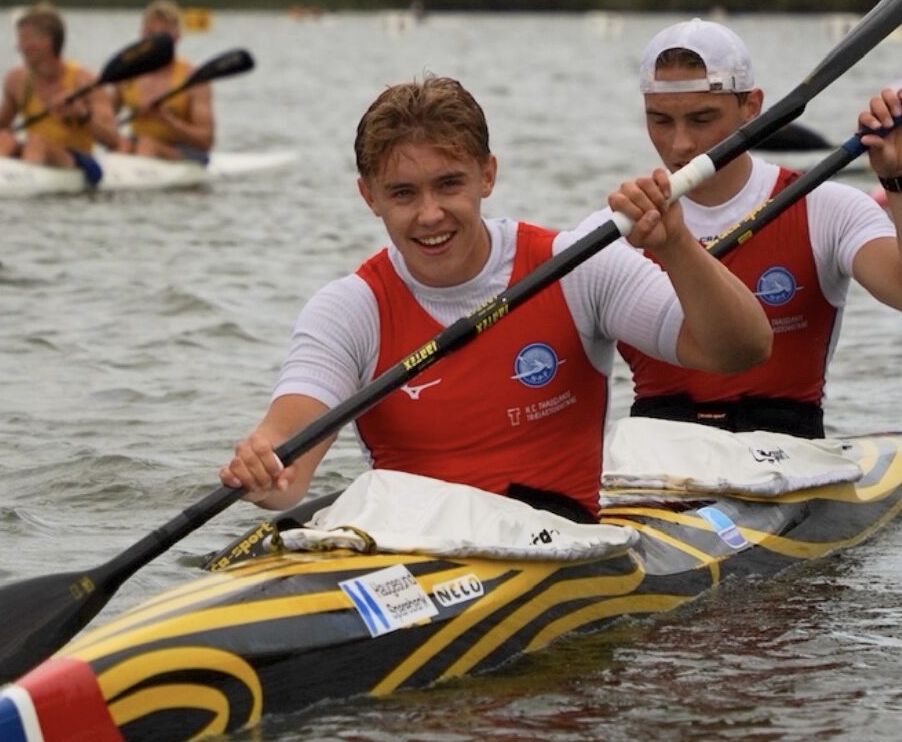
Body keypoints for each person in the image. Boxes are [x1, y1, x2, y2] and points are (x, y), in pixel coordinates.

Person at [219, 76, 772, 523]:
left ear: (488, 175)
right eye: (403, 194)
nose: (430, 214)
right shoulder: (350, 308)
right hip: (412, 548)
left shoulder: (576, 265)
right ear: (369, 197)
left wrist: (676, 247)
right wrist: (263, 465)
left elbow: (741, 349)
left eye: (449, 184)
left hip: (557, 542)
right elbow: (288, 456)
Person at [599, 19, 902, 438]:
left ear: (752, 107)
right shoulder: (615, 229)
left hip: (789, 455)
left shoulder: (824, 206)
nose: (680, 144)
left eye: (702, 119)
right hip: (655, 462)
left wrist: (897, 177)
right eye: (661, 121)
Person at [0, 2, 123, 167]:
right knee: (4, 138)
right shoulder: (16, 80)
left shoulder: (85, 81)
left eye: (24, 39)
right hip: (34, 153)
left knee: (37, 142)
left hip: (76, 160)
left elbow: (113, 139)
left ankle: (26, 188)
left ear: (46, 41)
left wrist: (83, 114)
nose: (19, 47)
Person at [114, 0, 215, 163]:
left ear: (177, 37)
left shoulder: (195, 79)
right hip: (138, 144)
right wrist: (82, 112)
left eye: (161, 36)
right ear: (142, 35)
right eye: (149, 34)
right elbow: (105, 119)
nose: (154, 42)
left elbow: (207, 141)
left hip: (186, 150)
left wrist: (167, 119)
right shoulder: (126, 76)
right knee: (123, 143)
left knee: (147, 144)